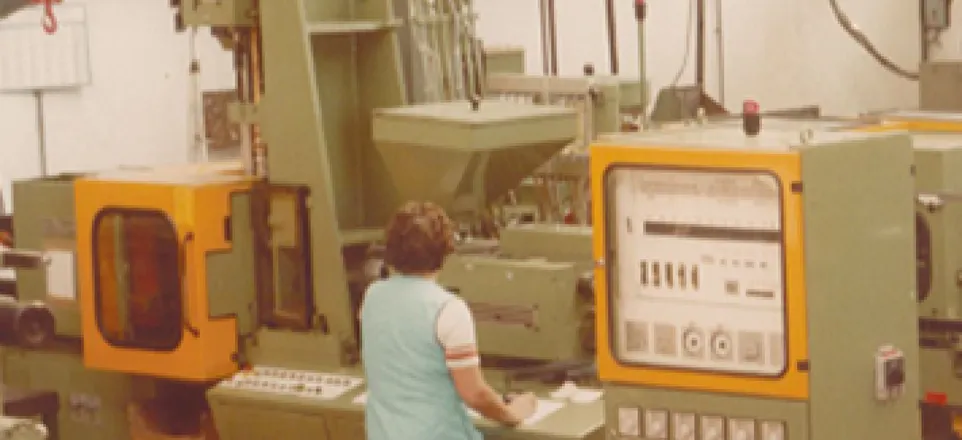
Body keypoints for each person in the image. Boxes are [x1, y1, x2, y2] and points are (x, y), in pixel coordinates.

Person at [360, 201, 538, 440]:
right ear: (444, 252)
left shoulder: (373, 296)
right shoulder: (449, 310)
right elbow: (474, 394)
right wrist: (511, 413)